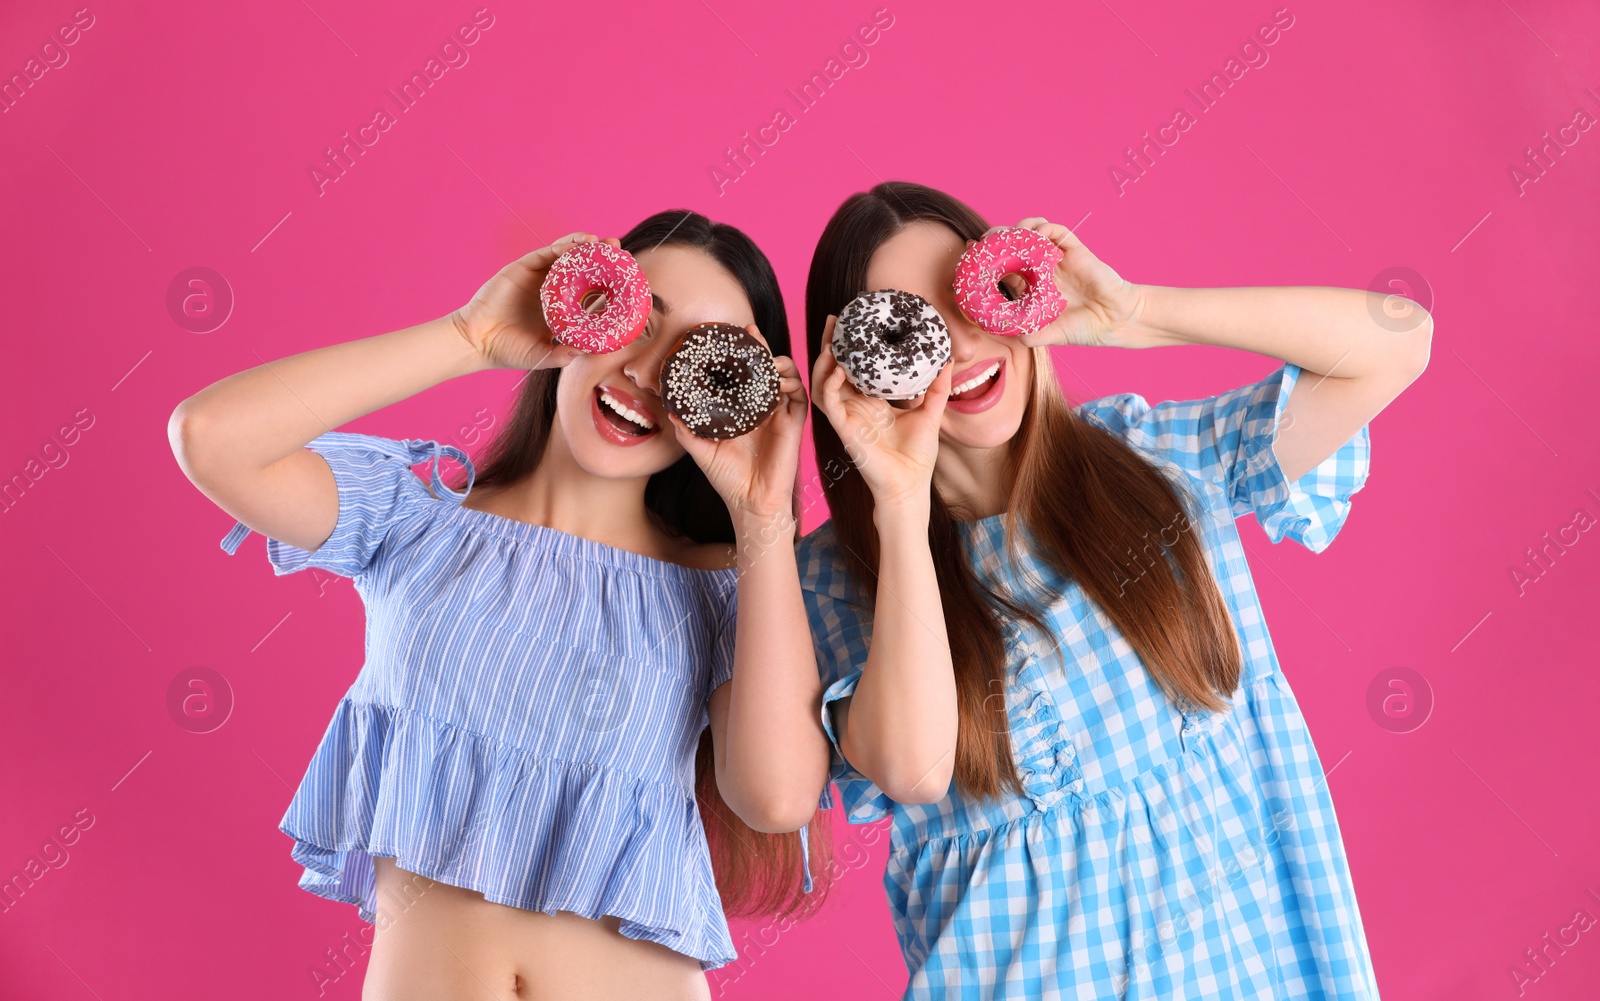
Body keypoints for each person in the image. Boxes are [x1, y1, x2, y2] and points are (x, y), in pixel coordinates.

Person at [169, 211, 832, 1000]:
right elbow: (211, 436)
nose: (649, 374)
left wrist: (762, 515)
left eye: (698, 360)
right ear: (577, 311)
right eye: (633, 322)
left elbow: (779, 796)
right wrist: (470, 335)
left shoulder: (723, 583)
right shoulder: (413, 523)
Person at [798, 180, 1428, 999]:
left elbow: (1397, 341)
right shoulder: (842, 578)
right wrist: (899, 499)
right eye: (906, 328)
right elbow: (913, 767)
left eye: (975, 293)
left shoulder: (1156, 460)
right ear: (856, 364)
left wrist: (1134, 314)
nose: (958, 342)